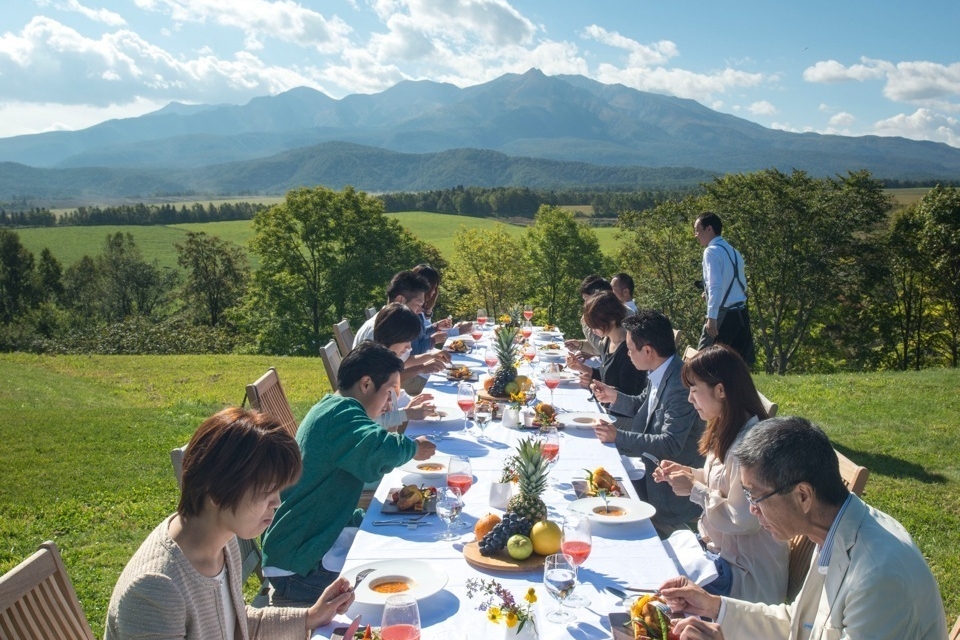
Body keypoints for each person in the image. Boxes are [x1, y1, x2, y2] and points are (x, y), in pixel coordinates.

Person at [660, 416, 948, 640]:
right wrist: (713, 606)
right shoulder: (833, 529)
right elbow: (800, 623)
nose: (752, 509)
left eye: (755, 495)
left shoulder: (877, 576)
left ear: (803, 496)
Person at [105, 408, 355, 640]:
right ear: (216, 490)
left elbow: (234, 625)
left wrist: (312, 616)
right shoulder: (155, 590)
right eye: (266, 492)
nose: (277, 502)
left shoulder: (222, 540)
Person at [261, 342, 437, 602]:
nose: (390, 405)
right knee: (401, 588)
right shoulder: (342, 415)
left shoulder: (333, 406)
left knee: (400, 549)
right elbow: (378, 450)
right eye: (389, 393)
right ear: (366, 384)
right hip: (298, 567)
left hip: (309, 543)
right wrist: (412, 448)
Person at [653, 345, 787, 603]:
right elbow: (725, 483)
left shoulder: (752, 450)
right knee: (654, 561)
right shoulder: (730, 427)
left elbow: (743, 520)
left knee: (659, 590)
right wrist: (690, 473)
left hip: (744, 576)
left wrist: (694, 488)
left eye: (694, 391)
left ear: (721, 390)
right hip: (719, 556)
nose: (690, 399)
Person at [591, 309, 705, 535]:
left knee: (598, 507)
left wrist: (619, 437)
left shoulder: (680, 386)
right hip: (647, 471)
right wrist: (614, 396)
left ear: (648, 351)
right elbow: (644, 404)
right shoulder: (662, 369)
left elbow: (671, 443)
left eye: (630, 350)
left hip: (667, 493)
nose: (628, 354)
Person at [695, 212, 755, 365]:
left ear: (709, 229)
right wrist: (707, 293)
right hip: (741, 314)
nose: (695, 235)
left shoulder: (711, 251)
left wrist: (712, 317)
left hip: (724, 316)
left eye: (697, 230)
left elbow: (715, 286)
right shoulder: (734, 251)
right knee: (735, 366)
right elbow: (735, 282)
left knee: (702, 362)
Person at [565, 290, 646, 397]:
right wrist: (581, 367)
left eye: (595, 325)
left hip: (620, 412)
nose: (593, 331)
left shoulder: (627, 350)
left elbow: (628, 395)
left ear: (612, 319)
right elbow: (607, 376)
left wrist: (593, 385)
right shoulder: (609, 340)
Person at [371, 302, 440, 428]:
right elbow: (371, 424)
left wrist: (408, 408)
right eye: (406, 340)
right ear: (392, 335)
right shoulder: (374, 371)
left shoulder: (389, 362)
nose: (409, 346)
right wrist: (407, 414)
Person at [353, 270, 432, 347]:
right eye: (418, 305)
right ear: (400, 300)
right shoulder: (378, 331)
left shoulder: (390, 324)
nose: (420, 311)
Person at [411, 263, 471, 354]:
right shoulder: (410, 312)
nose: (435, 292)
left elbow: (421, 334)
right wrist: (455, 331)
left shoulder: (419, 309)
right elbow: (415, 350)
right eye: (434, 288)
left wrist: (436, 326)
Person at [564, 275, 614, 356]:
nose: (585, 305)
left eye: (587, 300)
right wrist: (580, 345)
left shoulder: (618, 317)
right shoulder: (612, 312)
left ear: (599, 298)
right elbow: (602, 347)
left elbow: (604, 349)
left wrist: (586, 325)